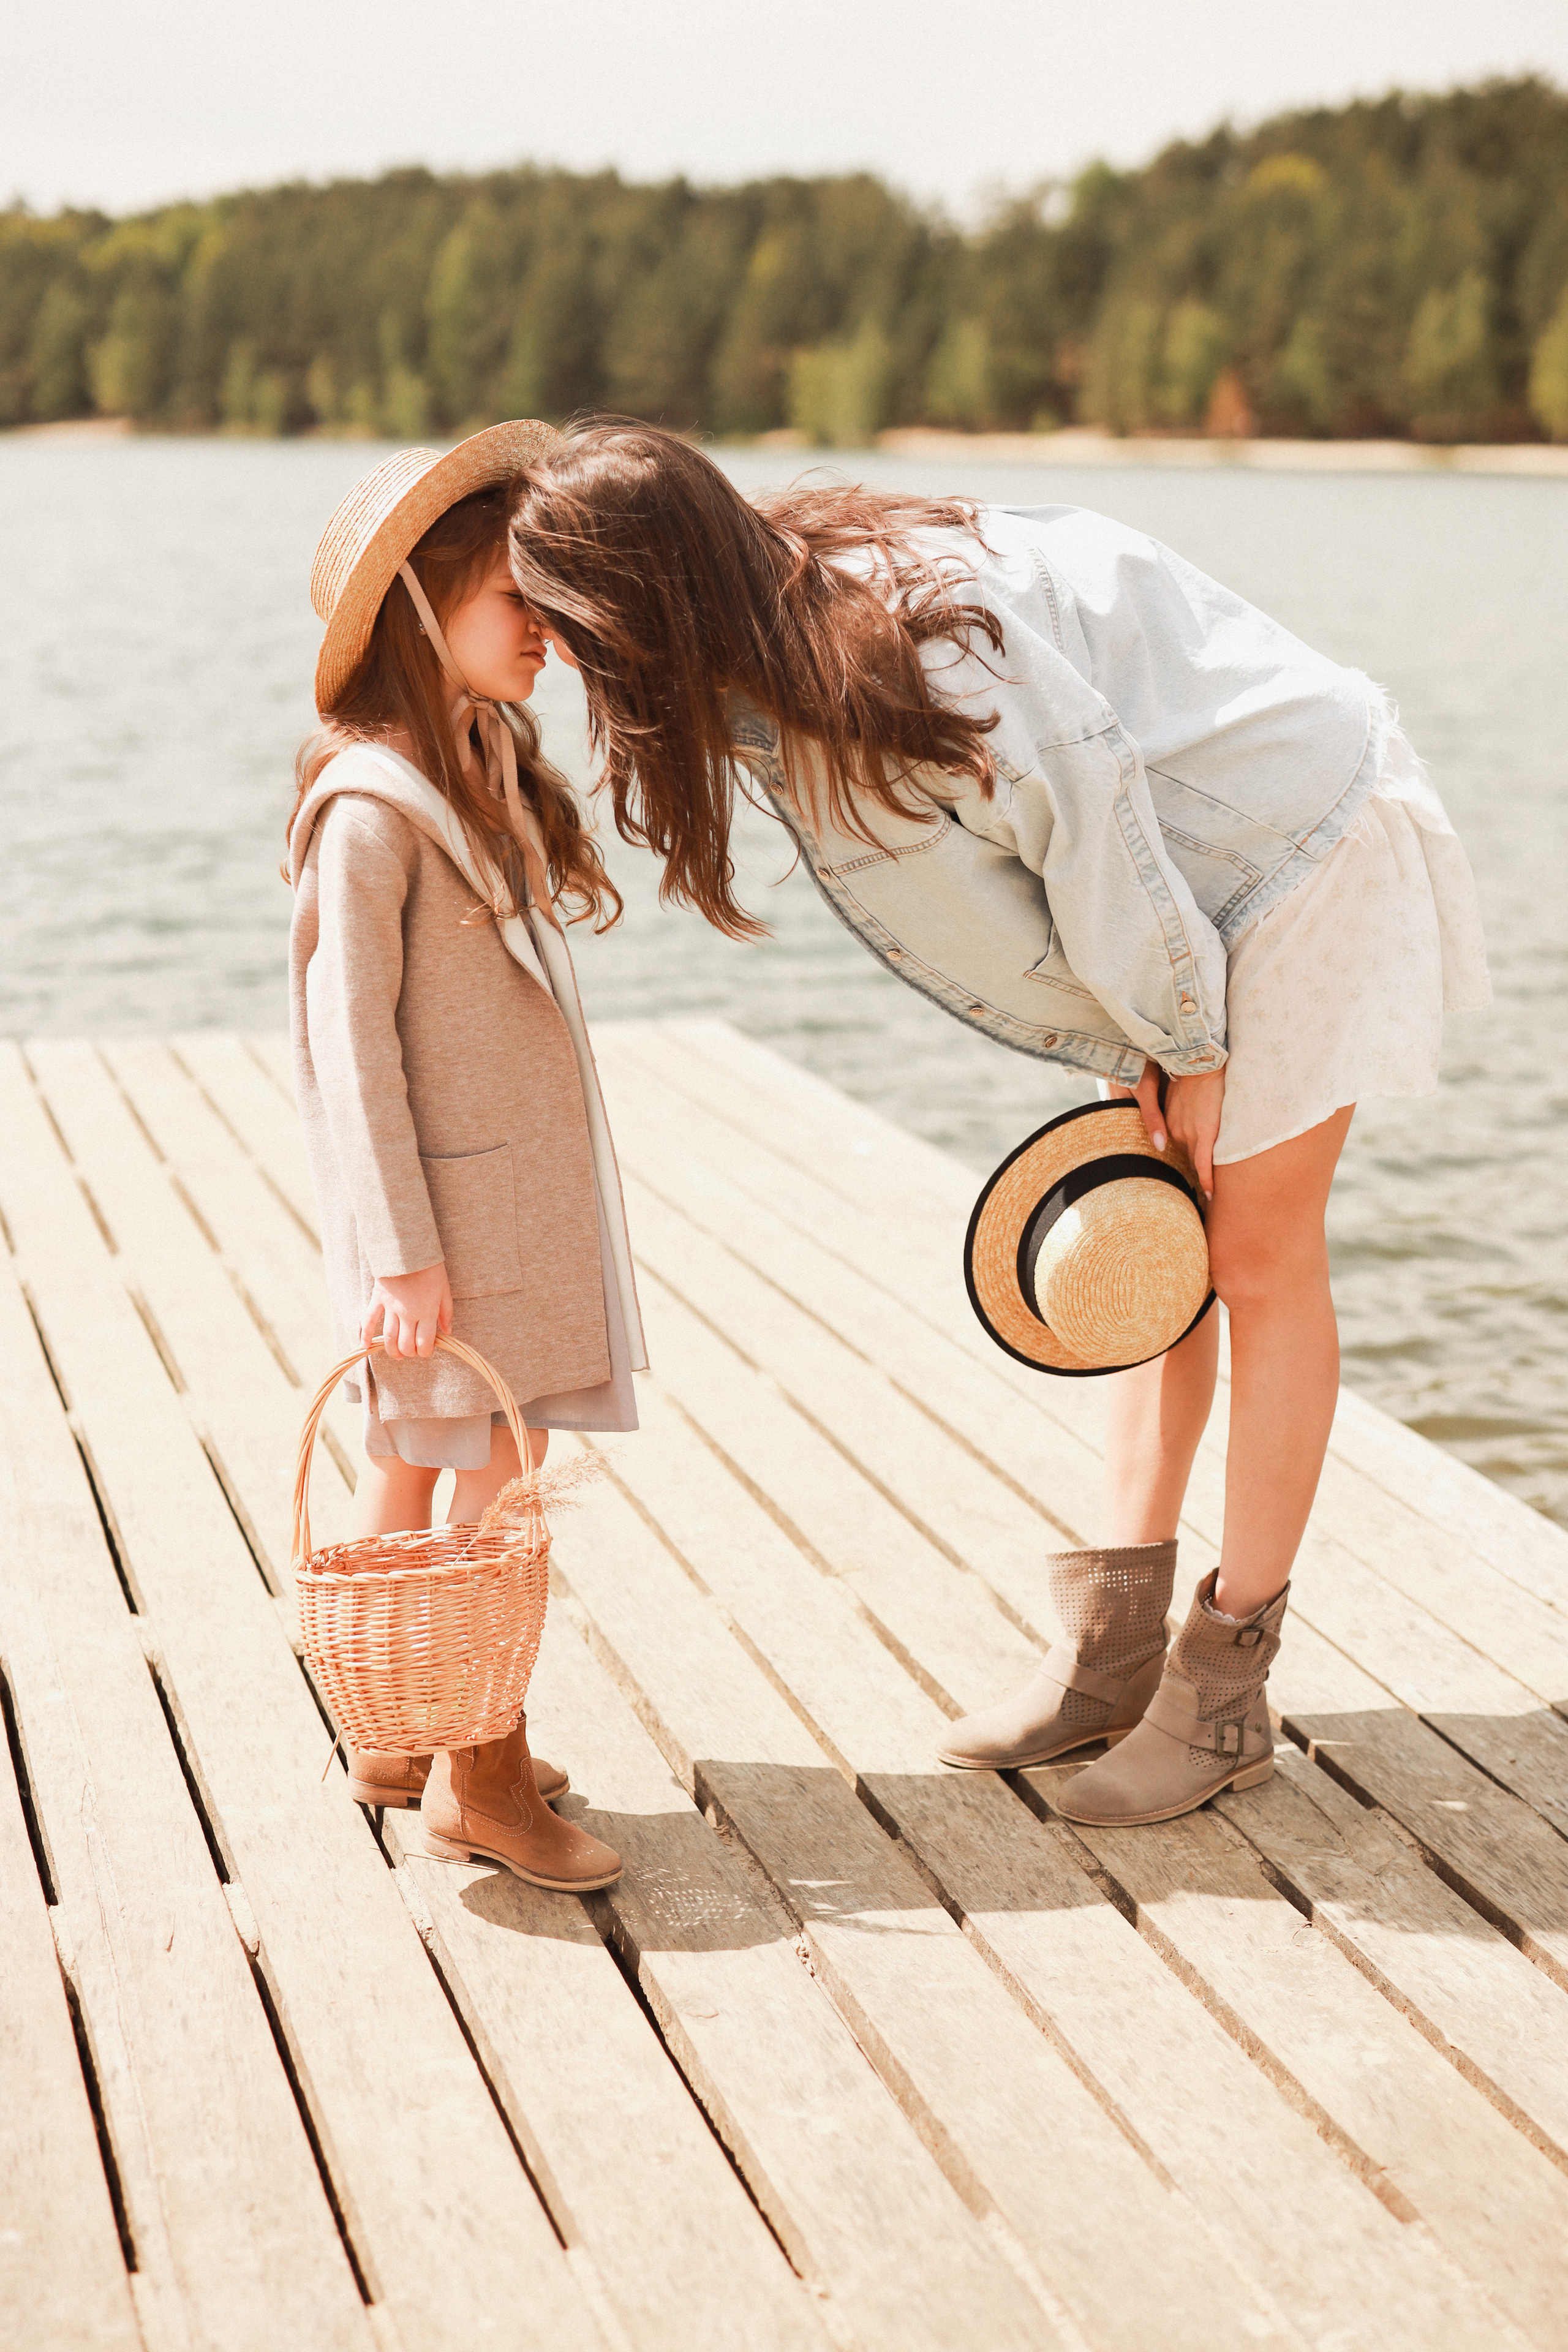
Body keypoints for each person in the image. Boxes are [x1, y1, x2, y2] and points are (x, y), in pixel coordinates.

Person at [503, 421, 1490, 1828]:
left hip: (1292, 841)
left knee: (1258, 1257)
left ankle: (1220, 1691)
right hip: (1178, 885)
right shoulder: (765, 624)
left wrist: (1184, 1038)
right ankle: (1112, 1645)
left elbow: (1087, 817)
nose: (562, 652)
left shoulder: (910, 641)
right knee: (1154, 1250)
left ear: (638, 599)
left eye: (567, 622)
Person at [288, 422, 645, 1887]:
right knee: (496, 1480)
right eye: (521, 606)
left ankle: (393, 1724)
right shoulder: (371, 813)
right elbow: (347, 1047)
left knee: (413, 1446)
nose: (548, 640)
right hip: (453, 1228)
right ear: (426, 611)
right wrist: (402, 1253)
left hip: (496, 1209)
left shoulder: (478, 756)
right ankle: (479, 1777)